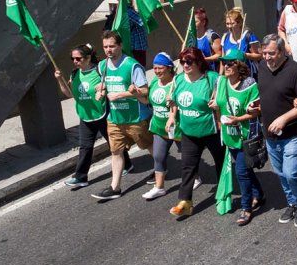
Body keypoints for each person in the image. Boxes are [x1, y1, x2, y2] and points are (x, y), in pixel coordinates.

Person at [55, 44, 132, 189]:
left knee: (113, 144)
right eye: (72, 58)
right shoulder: (74, 74)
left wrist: (103, 89)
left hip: (103, 114)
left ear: (88, 57)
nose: (75, 61)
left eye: (78, 58)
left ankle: (127, 164)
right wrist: (60, 80)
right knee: (85, 147)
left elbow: (113, 85)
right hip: (86, 116)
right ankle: (80, 177)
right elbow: (69, 94)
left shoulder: (99, 70)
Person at [257, 34, 297, 227]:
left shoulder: (296, 71)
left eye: (271, 53)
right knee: (280, 173)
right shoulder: (262, 67)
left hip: (292, 133)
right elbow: (266, 93)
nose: (267, 57)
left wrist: (283, 118)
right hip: (269, 133)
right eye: (264, 53)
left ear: (281, 51)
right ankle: (291, 202)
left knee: (291, 173)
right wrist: (256, 106)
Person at [90, 31, 153, 200]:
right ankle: (115, 187)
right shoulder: (102, 66)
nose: (108, 50)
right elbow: (103, 85)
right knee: (115, 152)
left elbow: (145, 92)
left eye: (112, 46)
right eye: (105, 47)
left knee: (149, 146)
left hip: (136, 118)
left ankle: (161, 169)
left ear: (120, 46)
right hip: (115, 119)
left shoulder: (132, 66)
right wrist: (101, 91)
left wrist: (121, 95)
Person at [166, 48, 223, 217]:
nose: (185, 65)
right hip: (189, 132)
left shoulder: (212, 79)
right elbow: (174, 102)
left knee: (221, 163)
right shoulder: (178, 80)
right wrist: (171, 116)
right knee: (188, 167)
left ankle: (222, 193)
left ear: (199, 62)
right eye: (182, 62)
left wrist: (218, 104)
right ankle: (185, 202)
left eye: (189, 61)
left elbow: (225, 97)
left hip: (212, 131)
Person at [212, 49, 263, 225]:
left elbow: (256, 112)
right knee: (246, 170)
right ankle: (259, 194)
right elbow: (218, 104)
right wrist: (216, 112)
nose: (226, 66)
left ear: (240, 65)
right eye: (224, 62)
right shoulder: (220, 81)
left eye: (230, 63)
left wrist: (239, 119)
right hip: (228, 135)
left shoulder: (250, 85)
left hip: (244, 136)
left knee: (241, 172)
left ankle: (246, 207)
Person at [141, 52, 183, 200]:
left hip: (177, 126)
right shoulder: (153, 82)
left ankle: (195, 176)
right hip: (159, 126)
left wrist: (173, 101)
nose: (157, 71)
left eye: (160, 68)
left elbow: (180, 104)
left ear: (169, 68)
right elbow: (147, 101)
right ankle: (159, 187)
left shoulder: (178, 83)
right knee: (158, 156)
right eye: (155, 68)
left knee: (186, 156)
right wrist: (135, 94)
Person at [104, 0, 149, 67]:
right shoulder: (128, 11)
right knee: (138, 69)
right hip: (136, 47)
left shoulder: (121, 10)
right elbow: (144, 23)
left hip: (132, 47)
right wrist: (149, 7)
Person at [222, 8, 260, 76]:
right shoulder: (225, 37)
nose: (229, 26)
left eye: (232, 23)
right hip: (231, 76)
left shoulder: (248, 36)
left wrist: (244, 55)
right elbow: (223, 59)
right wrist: (221, 75)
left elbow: (259, 55)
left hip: (247, 75)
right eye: (227, 24)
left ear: (240, 23)